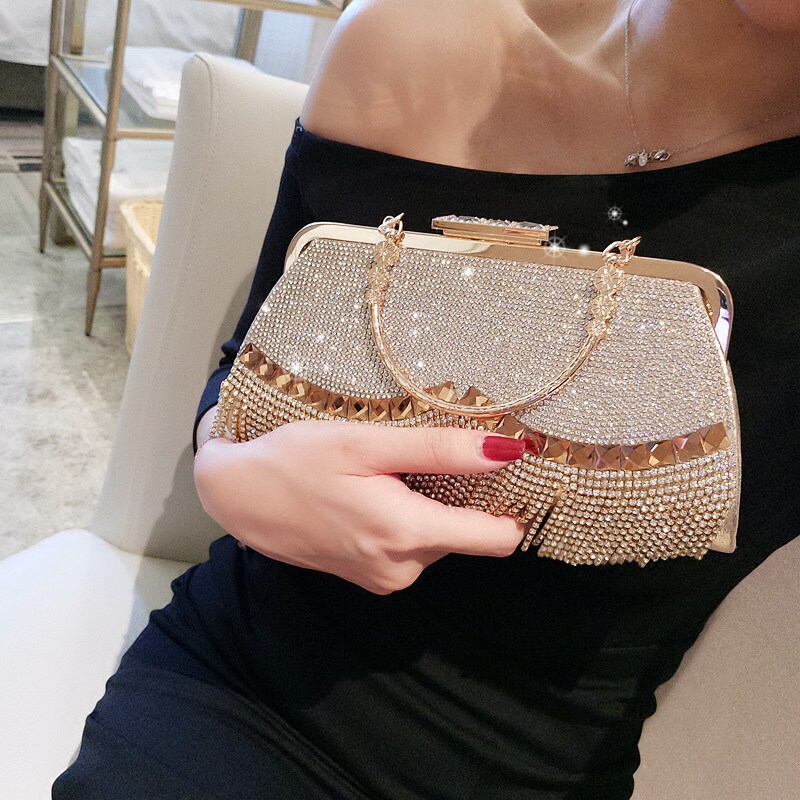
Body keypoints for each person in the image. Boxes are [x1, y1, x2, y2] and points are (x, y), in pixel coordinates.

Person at [53, 0, 800, 797]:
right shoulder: (416, 38)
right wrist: (222, 472)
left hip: (533, 769)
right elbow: (247, 372)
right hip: (243, 696)